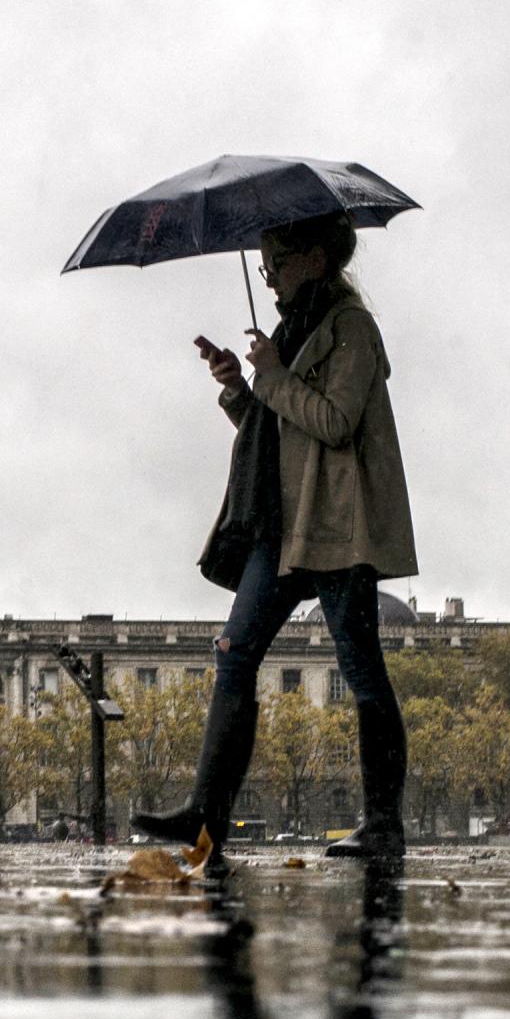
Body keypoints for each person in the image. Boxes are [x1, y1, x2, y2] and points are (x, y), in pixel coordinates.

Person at [131, 210, 414, 863]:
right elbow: (281, 438)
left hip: (336, 527)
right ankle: (207, 816)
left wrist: (274, 373)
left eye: (277, 266)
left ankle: (384, 824)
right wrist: (239, 388)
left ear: (316, 257)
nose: (271, 279)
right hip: (281, 526)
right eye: (264, 270)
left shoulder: (351, 330)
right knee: (234, 654)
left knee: (361, 666)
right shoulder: (294, 332)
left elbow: (336, 421)